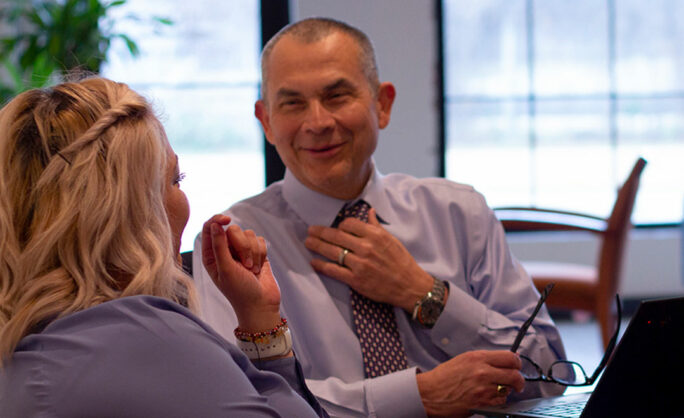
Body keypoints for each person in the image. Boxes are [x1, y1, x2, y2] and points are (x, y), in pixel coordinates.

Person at [193, 17, 567, 417]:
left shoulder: (460, 214)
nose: (317, 123)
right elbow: (242, 402)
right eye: (293, 103)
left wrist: (426, 295)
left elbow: (549, 375)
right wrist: (417, 397)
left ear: (382, 104)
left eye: (337, 96)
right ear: (266, 121)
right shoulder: (236, 246)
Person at [0, 77, 328, 417]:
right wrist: (263, 328)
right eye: (175, 180)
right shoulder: (146, 338)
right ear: (125, 210)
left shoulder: (29, 338)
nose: (183, 200)